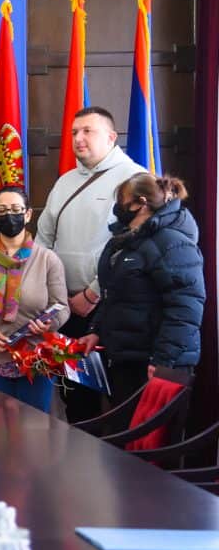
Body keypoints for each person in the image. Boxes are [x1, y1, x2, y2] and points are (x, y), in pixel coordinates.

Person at [35, 106, 145, 421]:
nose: (78, 138)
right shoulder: (65, 182)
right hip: (65, 308)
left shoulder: (135, 179)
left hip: (110, 309)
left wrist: (94, 292)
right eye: (74, 132)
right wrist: (48, 293)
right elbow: (43, 239)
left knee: (120, 401)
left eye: (88, 131)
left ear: (111, 137)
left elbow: (134, 247)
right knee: (76, 400)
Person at [77, 173, 204, 407]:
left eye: (121, 201)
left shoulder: (172, 242)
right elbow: (113, 294)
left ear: (141, 203)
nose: (117, 207)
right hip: (125, 358)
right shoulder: (124, 238)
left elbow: (185, 310)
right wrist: (97, 330)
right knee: (122, 429)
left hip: (159, 364)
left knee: (153, 431)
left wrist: (163, 361)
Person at [0, 187, 70, 412]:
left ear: (28, 215)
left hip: (36, 358)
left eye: (16, 209)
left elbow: (62, 307)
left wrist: (50, 323)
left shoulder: (48, 260)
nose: (10, 216)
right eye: (2, 211)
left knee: (34, 427)